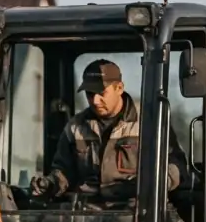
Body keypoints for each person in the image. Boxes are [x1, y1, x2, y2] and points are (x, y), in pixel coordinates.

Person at [29, 59, 184, 202]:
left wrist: (152, 185)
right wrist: (49, 184)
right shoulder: (75, 127)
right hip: (87, 214)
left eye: (102, 93)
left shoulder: (149, 123)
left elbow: (175, 165)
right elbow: (63, 171)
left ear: (119, 88)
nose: (95, 101)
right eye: (90, 94)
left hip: (136, 212)